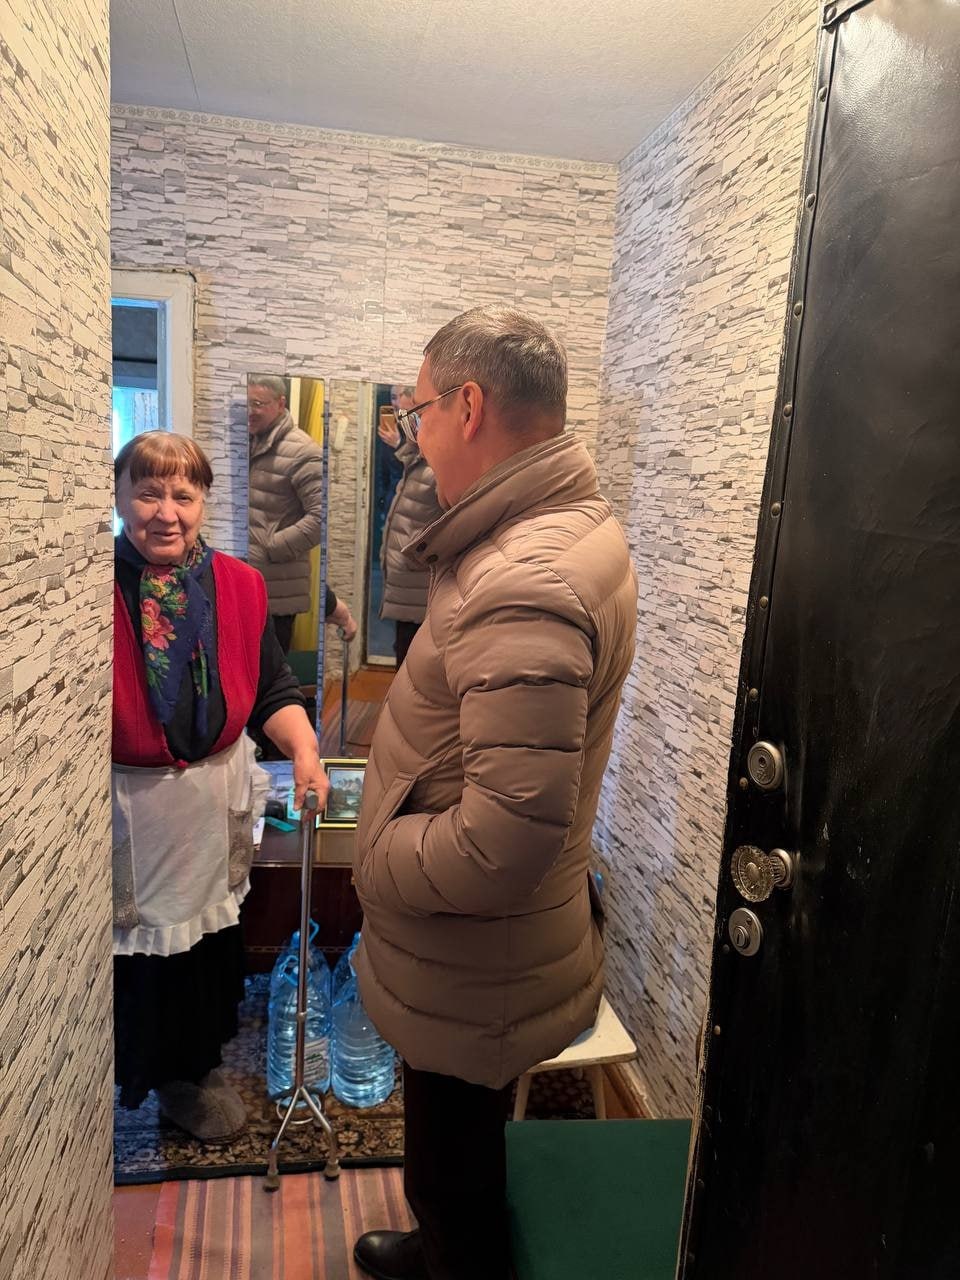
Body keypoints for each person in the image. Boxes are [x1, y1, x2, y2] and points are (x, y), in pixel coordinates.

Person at [350, 308, 638, 1280]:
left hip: (474, 954)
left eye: (419, 411)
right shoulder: (562, 529)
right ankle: (440, 1249)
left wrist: (375, 856)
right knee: (458, 1160)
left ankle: (452, 1257)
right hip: (487, 950)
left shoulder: (524, 577)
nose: (415, 435)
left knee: (453, 1173)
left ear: (468, 406)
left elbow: (500, 841)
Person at [112, 431, 330, 1142]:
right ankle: (152, 1074)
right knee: (142, 957)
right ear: (119, 496)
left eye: (183, 494)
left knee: (208, 943)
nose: (166, 512)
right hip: (132, 806)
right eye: (148, 493)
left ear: (203, 501)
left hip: (217, 797)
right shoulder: (87, 589)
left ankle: (195, 1067)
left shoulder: (240, 584)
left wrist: (305, 750)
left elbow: (272, 686)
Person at [247, 375, 357, 651]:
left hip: (277, 593)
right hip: (245, 585)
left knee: (269, 674)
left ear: (280, 403)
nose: (250, 411)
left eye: (257, 403)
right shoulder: (245, 442)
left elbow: (321, 518)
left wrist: (272, 547)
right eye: (246, 403)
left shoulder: (303, 452)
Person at [377, 384, 444, 665]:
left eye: (410, 415)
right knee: (402, 653)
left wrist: (415, 555)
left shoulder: (437, 467)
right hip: (407, 584)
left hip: (419, 586)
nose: (402, 420)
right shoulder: (415, 459)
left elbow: (455, 530)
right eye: (401, 415)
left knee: (410, 662)